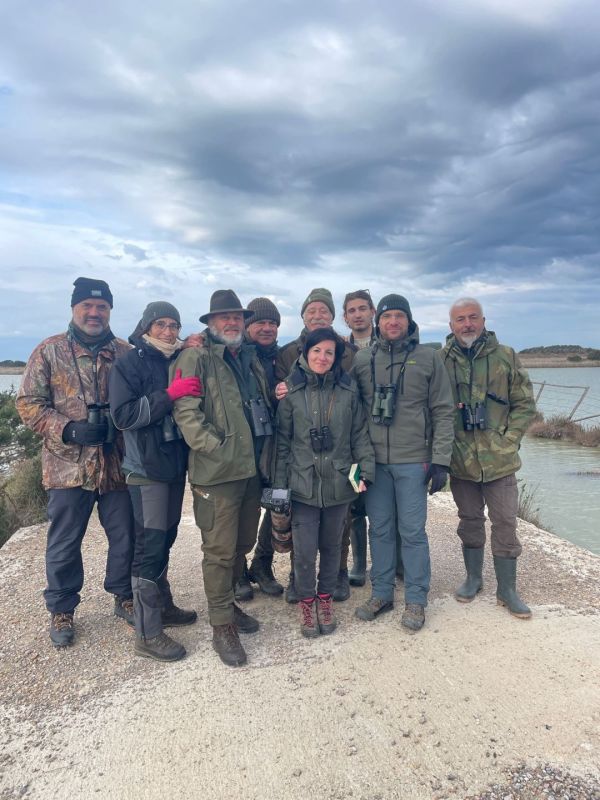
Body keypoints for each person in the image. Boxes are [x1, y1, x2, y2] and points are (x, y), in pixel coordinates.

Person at [16, 277, 135, 647]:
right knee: (65, 542)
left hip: (117, 465)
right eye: (87, 305)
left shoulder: (126, 352)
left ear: (110, 310)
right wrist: (68, 429)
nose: (94, 312)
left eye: (102, 307)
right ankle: (62, 608)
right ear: (74, 308)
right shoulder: (48, 351)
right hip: (68, 468)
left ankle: (124, 595)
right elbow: (28, 404)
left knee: (126, 536)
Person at [172, 290, 274, 667]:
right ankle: (221, 627)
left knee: (241, 543)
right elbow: (186, 410)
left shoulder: (248, 358)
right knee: (218, 552)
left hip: (249, 470)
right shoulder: (195, 356)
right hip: (216, 474)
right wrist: (213, 446)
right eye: (224, 318)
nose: (232, 323)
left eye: (237, 317)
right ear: (210, 323)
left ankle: (229, 605)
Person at [353, 294, 454, 632]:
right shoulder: (362, 359)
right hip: (374, 464)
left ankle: (416, 598)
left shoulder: (428, 358)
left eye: (399, 316)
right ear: (377, 322)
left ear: (409, 321)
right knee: (378, 529)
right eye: (387, 316)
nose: (393, 322)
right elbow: (350, 408)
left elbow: (442, 410)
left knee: (412, 532)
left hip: (414, 461)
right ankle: (381, 592)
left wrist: (441, 460)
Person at [109, 302, 202, 662]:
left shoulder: (175, 358)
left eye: (173, 325)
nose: (167, 331)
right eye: (161, 324)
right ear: (146, 326)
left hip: (174, 465)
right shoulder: (128, 364)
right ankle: (147, 633)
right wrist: (169, 396)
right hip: (144, 468)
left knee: (168, 535)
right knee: (149, 545)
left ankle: (163, 606)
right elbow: (123, 415)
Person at [273, 327, 375, 638]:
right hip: (302, 484)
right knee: (304, 551)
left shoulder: (348, 392)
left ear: (336, 358)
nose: (322, 357)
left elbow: (358, 437)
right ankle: (306, 602)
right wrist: (279, 490)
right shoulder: (290, 392)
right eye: (317, 351)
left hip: (340, 483)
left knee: (332, 547)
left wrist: (362, 477)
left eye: (329, 352)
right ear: (306, 353)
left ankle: (325, 599)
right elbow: (283, 444)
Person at [441, 298, 536, 618]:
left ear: (483, 320)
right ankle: (473, 578)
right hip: (461, 459)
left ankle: (507, 589)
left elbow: (524, 404)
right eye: (460, 320)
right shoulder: (441, 361)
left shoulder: (505, 356)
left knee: (506, 522)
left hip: (500, 460)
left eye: (472, 318)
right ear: (450, 325)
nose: (467, 324)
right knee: (469, 520)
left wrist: (510, 441)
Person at [276, 287, 357, 602]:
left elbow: (357, 406)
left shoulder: (349, 352)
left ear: (333, 316)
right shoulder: (286, 353)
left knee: (340, 521)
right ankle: (300, 576)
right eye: (312, 310)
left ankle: (337, 573)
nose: (317, 315)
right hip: (302, 447)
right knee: (302, 523)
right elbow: (278, 391)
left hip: (338, 452)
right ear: (302, 315)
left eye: (324, 310)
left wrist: (359, 472)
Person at [234, 297, 286, 600]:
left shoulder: (285, 356)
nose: (267, 328)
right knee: (244, 509)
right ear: (247, 326)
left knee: (277, 503)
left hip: (277, 443)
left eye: (272, 323)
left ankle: (262, 565)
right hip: (246, 444)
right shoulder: (236, 354)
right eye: (260, 323)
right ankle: (238, 569)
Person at [342, 290, 377, 587]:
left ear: (372, 311)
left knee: (383, 504)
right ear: (345, 317)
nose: (357, 314)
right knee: (355, 503)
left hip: (384, 440)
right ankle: (358, 564)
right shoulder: (340, 351)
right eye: (351, 310)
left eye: (362, 309)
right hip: (352, 442)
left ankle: (392, 561)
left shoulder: (389, 342)